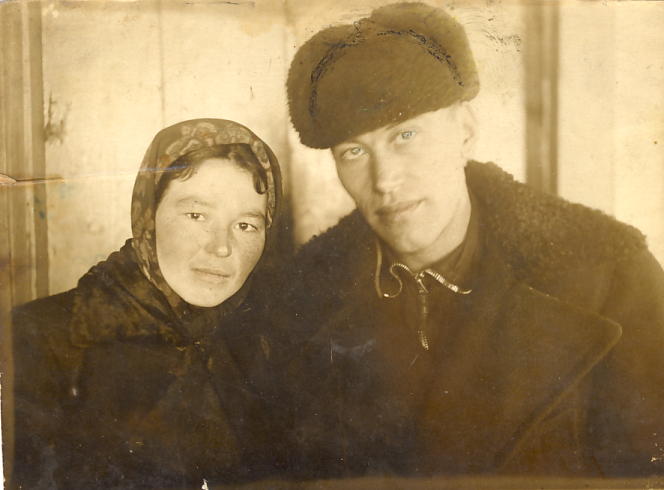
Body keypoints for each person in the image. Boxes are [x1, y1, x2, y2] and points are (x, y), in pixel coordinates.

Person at [282, 1, 664, 480]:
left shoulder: (611, 277)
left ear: (465, 132)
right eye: (354, 152)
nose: (385, 180)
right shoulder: (296, 303)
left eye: (405, 135)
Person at [11, 118, 286, 488]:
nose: (221, 247)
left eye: (245, 225)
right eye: (196, 215)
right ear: (148, 217)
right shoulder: (38, 336)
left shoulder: (263, 347)